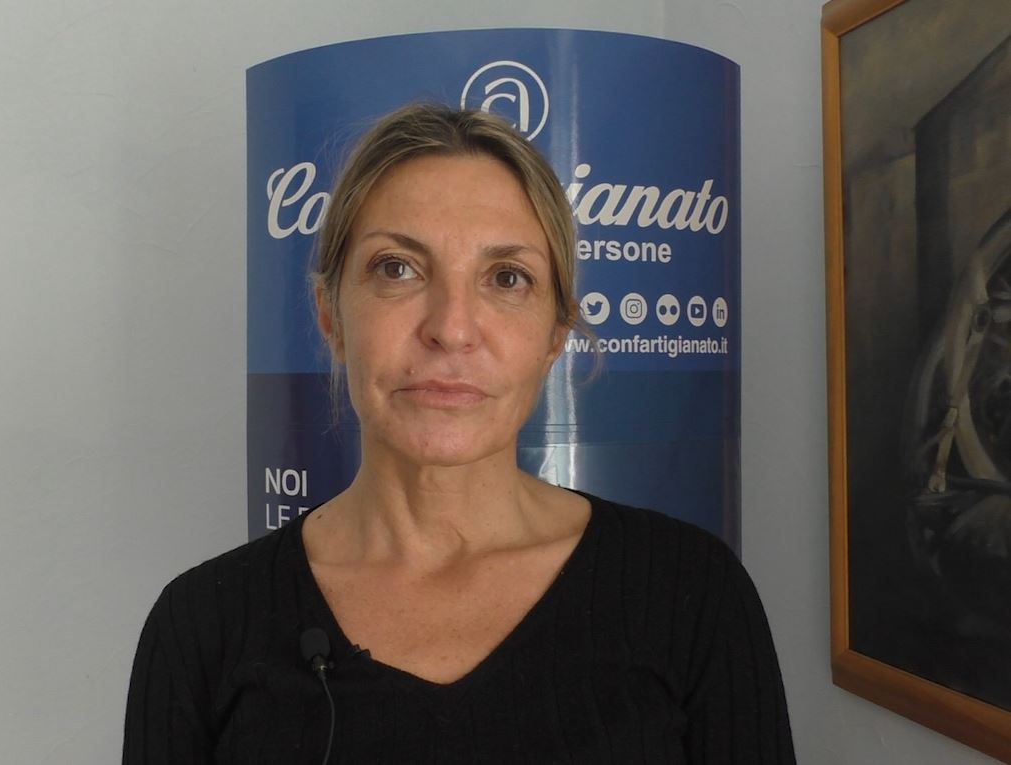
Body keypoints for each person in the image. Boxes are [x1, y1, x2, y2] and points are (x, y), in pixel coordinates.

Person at [124, 104, 795, 764]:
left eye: (507, 278)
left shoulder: (691, 595)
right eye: (397, 268)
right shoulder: (199, 628)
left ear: (555, 334)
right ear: (331, 316)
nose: (451, 328)